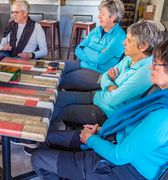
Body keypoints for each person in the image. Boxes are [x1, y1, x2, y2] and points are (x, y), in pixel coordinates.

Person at [31, 38, 168, 180]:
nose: (151, 67)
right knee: (49, 139)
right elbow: (135, 129)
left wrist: (91, 139)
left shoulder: (163, 117)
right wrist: (103, 130)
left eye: (156, 64)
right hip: (114, 138)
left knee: (38, 158)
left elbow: (118, 156)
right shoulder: (161, 95)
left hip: (124, 169)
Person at [49, 20, 165, 131]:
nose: (124, 42)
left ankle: (47, 143)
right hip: (98, 96)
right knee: (57, 98)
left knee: (57, 110)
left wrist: (111, 84)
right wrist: (111, 86)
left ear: (143, 47)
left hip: (106, 112)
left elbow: (112, 100)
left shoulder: (144, 72)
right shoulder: (130, 57)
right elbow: (105, 75)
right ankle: (48, 141)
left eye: (129, 40)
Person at [59, 0, 126, 91]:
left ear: (113, 17)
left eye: (102, 14)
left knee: (59, 79)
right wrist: (96, 54)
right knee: (53, 67)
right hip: (81, 64)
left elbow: (101, 59)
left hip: (97, 73)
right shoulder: (96, 30)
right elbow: (78, 50)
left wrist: (85, 49)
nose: (99, 17)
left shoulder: (119, 37)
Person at [0, 0, 47, 64]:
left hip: (25, 60)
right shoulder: (10, 26)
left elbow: (44, 51)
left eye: (16, 12)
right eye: (12, 12)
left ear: (25, 13)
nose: (13, 15)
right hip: (8, 57)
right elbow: (0, 47)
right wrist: (3, 48)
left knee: (16, 61)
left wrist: (30, 55)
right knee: (1, 57)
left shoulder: (36, 27)